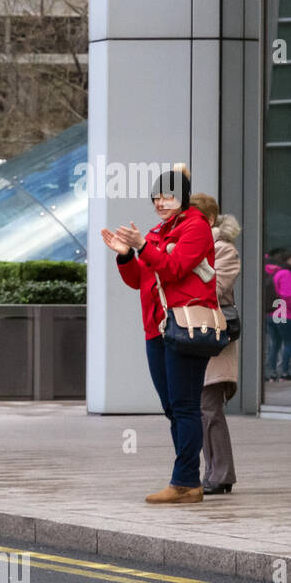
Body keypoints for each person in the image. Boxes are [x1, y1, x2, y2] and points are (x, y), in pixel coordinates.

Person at [101, 167, 218, 505]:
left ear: (182, 197)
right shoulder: (158, 231)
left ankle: (185, 482)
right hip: (157, 328)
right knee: (172, 407)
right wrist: (126, 255)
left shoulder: (196, 227)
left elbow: (174, 268)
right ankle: (187, 480)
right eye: (156, 198)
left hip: (185, 326)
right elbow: (140, 279)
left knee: (184, 406)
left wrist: (142, 246)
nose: (161, 203)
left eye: (168, 196)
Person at [190, 195, 239, 495]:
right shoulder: (189, 247)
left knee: (209, 408)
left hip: (212, 337)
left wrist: (189, 264)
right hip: (189, 336)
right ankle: (210, 473)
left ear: (207, 220)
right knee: (197, 410)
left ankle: (220, 475)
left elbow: (217, 288)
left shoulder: (224, 250)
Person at [264, 248, 291, 382]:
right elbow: (288, 295)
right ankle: (285, 373)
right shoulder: (285, 273)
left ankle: (272, 373)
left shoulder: (270, 273)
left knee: (275, 344)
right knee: (288, 343)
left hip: (270, 313)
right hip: (285, 313)